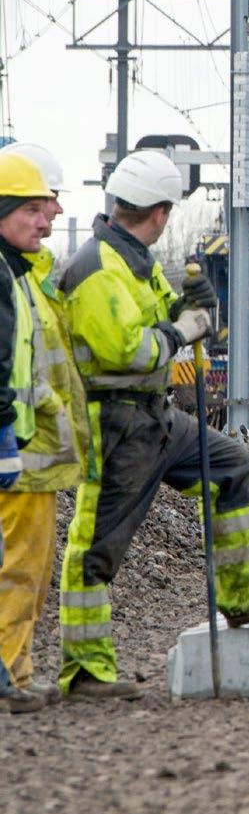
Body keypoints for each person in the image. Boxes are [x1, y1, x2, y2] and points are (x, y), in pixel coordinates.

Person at [57, 149, 249, 700]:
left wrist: (195, 308)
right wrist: (183, 330)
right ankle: (84, 669)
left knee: (235, 467)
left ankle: (244, 593)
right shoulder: (96, 268)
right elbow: (130, 350)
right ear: (160, 211)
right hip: (116, 423)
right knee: (97, 547)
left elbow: (171, 316)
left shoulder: (135, 261)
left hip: (157, 416)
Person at [0, 144, 89, 708]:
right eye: (34, 210)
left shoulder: (21, 276)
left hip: (30, 448)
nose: (45, 221)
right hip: (19, 452)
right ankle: (9, 675)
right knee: (17, 571)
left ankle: (19, 672)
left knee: (28, 572)